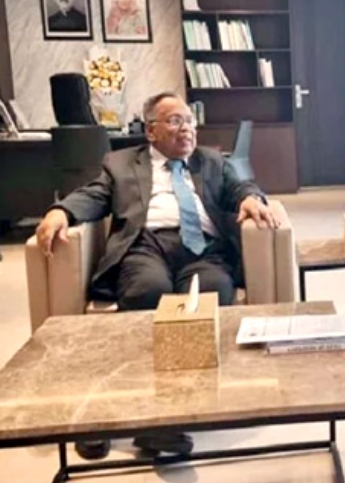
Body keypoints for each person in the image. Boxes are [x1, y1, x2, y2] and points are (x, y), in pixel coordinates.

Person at [36, 91, 278, 459]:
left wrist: (250, 199)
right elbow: (94, 195)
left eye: (190, 121)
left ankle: (164, 417)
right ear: (151, 131)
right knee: (147, 292)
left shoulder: (211, 161)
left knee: (212, 292)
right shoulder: (120, 163)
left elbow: (240, 186)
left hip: (203, 249)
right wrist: (61, 212)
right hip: (146, 245)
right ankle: (141, 417)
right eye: (175, 121)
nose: (187, 129)